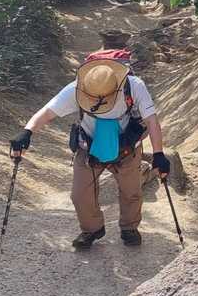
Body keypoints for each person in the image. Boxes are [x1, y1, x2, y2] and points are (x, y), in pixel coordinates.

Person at [10, 34, 171, 249]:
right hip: (89, 147)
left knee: (131, 191)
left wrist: (159, 154)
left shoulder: (134, 86)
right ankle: (92, 229)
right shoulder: (76, 89)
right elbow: (47, 112)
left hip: (127, 147)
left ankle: (129, 227)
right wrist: (27, 132)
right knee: (79, 194)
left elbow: (151, 120)